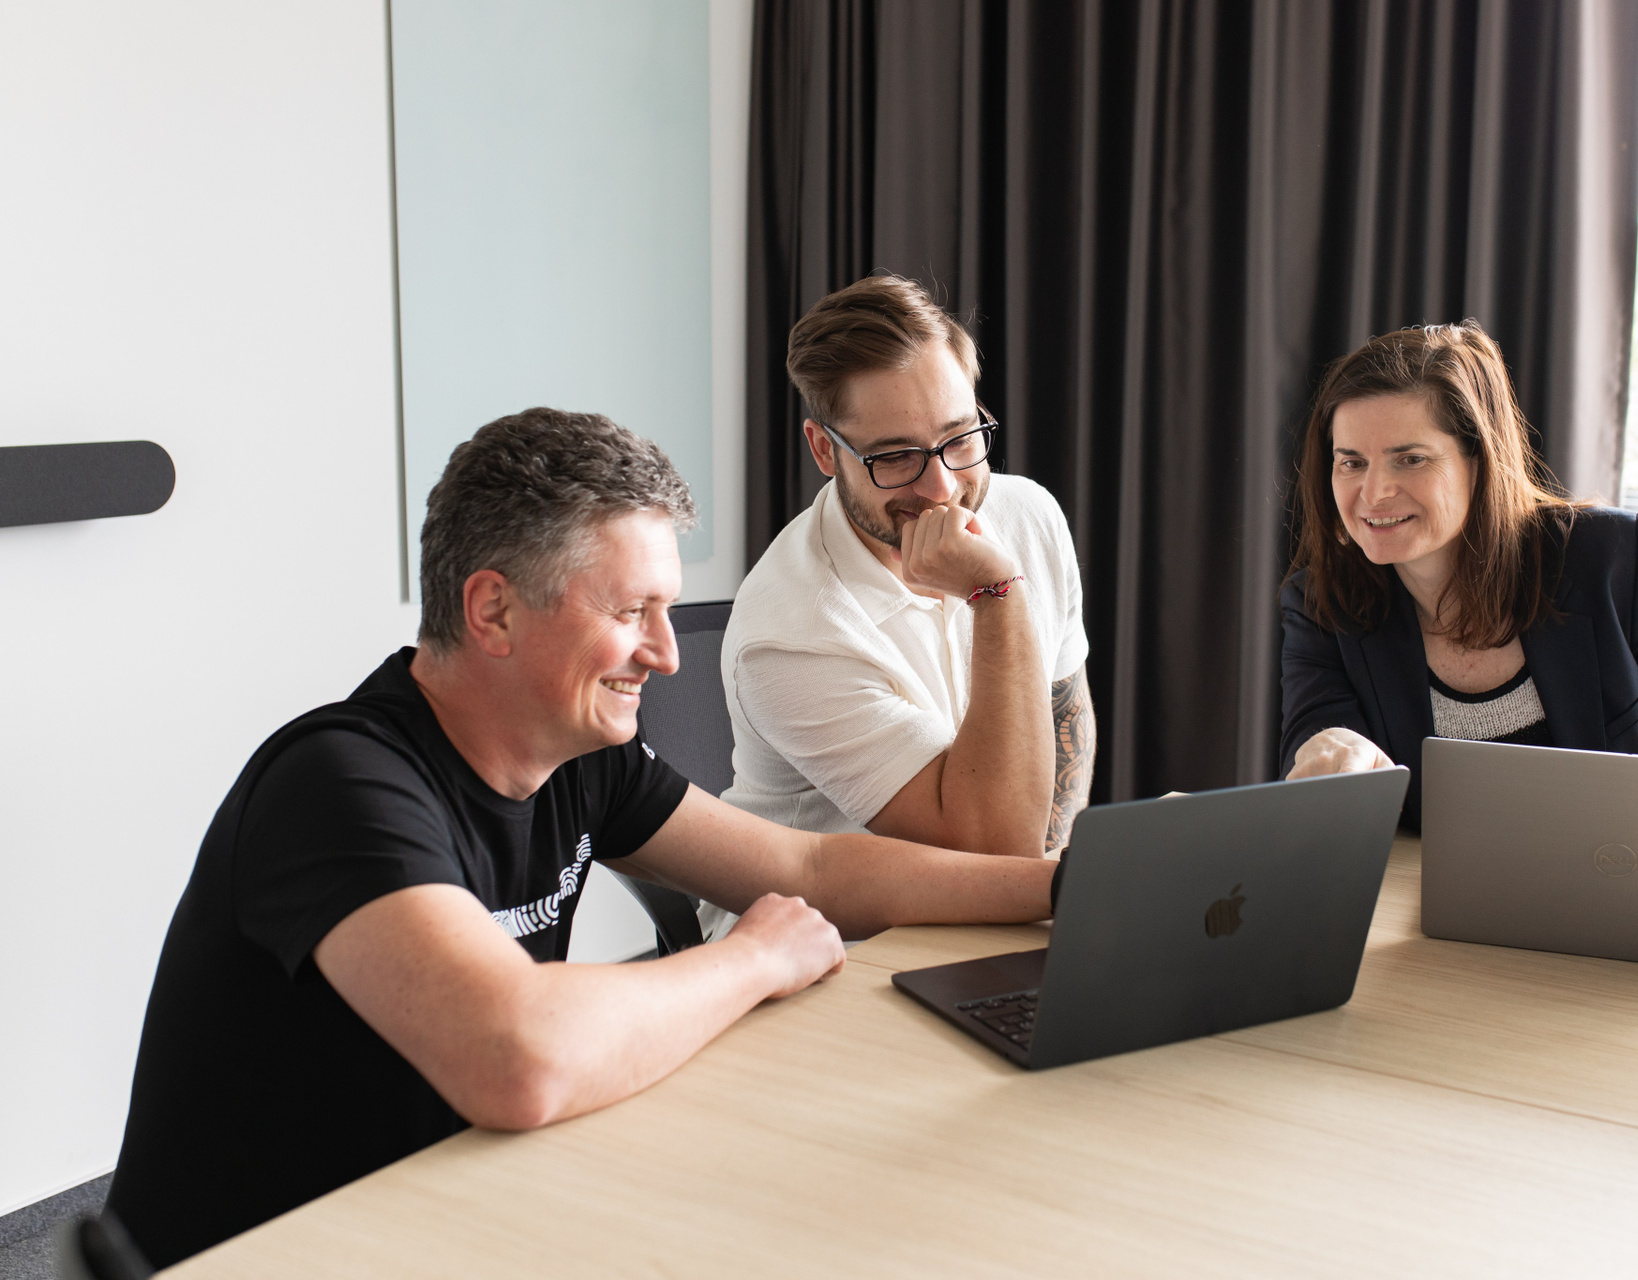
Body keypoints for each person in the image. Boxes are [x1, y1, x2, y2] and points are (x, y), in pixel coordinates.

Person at [105, 409, 1058, 1269]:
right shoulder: (339, 786)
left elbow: (811, 865)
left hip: (447, 1207)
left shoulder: (579, 758)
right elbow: (519, 1060)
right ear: (493, 611)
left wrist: (1062, 885)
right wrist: (755, 958)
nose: (668, 653)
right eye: (631, 611)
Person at [1279, 321, 1638, 828]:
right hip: (1437, 880)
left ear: (1480, 459)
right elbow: (1319, 765)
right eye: (1351, 463)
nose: (1373, 492)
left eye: (1410, 459)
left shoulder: (1615, 560)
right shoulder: (1322, 603)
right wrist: (1326, 750)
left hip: (1632, 873)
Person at [721, 276, 1094, 858]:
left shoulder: (1030, 514)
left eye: (959, 438)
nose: (942, 488)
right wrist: (998, 594)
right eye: (896, 456)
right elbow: (991, 849)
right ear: (824, 450)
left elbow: (1067, 720)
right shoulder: (787, 634)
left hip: (1004, 899)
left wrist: (1062, 884)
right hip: (821, 914)